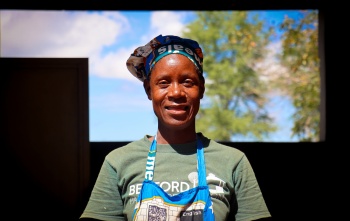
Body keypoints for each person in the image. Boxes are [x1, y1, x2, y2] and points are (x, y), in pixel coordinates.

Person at [80, 34, 272, 221]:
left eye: (187, 82)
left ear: (202, 89)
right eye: (163, 83)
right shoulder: (118, 162)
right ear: (149, 90)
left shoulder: (233, 162)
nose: (176, 92)